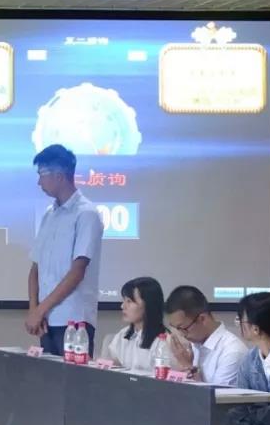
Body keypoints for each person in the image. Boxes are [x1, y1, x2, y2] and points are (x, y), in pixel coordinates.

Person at [26, 144, 103, 357]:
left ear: (59, 176)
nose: (39, 182)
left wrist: (40, 309)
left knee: (73, 378)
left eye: (42, 175)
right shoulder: (49, 215)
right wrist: (34, 310)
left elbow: (77, 271)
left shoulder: (87, 214)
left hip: (74, 320)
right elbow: (35, 268)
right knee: (46, 377)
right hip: (45, 320)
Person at [228, 293, 270, 425]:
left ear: (255, 329)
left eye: (241, 320)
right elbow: (239, 407)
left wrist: (256, 416)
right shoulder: (249, 360)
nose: (238, 324)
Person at [165, 284, 247, 385]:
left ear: (202, 319)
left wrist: (187, 366)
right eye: (176, 329)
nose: (182, 335)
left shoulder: (232, 351)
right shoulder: (193, 346)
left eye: (183, 328)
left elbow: (216, 394)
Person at [99, 277, 167, 372]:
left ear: (149, 304)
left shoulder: (164, 341)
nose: (122, 306)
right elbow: (112, 366)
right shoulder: (122, 335)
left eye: (129, 301)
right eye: (124, 301)